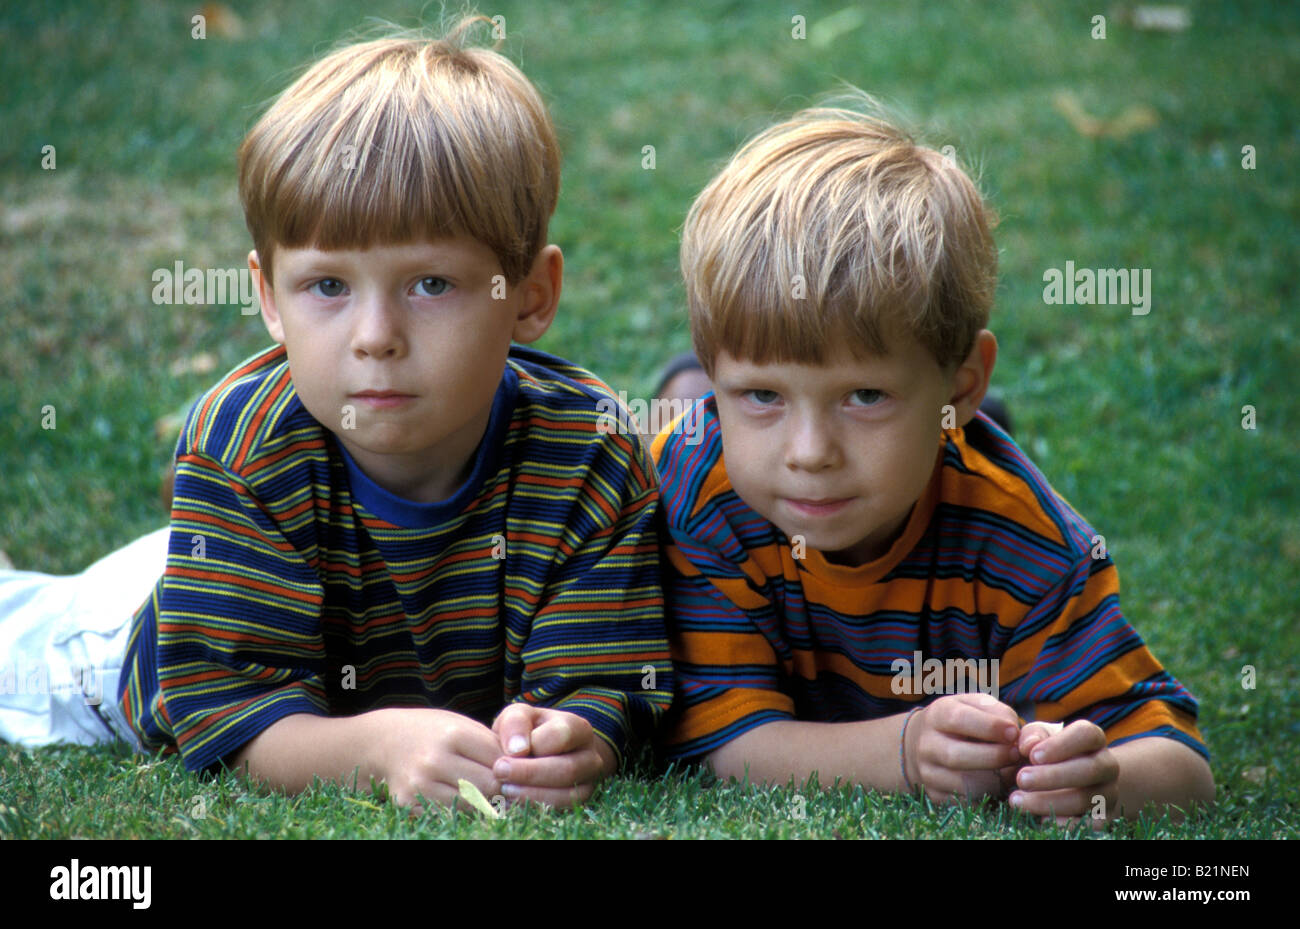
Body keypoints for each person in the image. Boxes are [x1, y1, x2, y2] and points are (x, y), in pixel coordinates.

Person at [1, 20, 675, 814]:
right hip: (128, 639)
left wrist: (575, 736)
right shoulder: (243, 448)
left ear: (530, 293)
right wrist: (373, 748)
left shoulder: (586, 450)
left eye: (430, 284)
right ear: (267, 297)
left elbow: (610, 678)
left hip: (262, 565)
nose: (375, 337)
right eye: (328, 286)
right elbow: (226, 716)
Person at [651, 99, 1214, 824]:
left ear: (963, 380)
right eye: (761, 393)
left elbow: (1184, 765)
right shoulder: (696, 493)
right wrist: (905, 752)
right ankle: (699, 392)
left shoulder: (1027, 546)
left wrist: (1099, 779)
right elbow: (724, 744)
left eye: (863, 394)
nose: (810, 453)